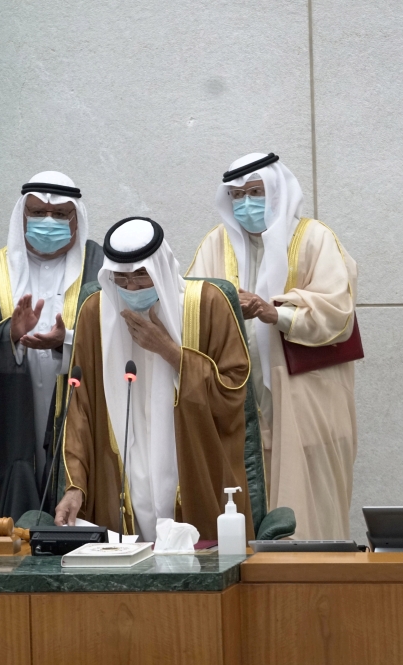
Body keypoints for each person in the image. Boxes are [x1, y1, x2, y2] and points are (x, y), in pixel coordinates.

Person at [187, 152, 359, 540]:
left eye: (255, 192)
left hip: (307, 400)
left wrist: (273, 312)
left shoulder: (314, 238)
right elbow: (192, 308)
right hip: (240, 402)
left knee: (310, 509)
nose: (246, 203)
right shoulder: (216, 244)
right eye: (237, 195)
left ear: (277, 191)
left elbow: (338, 312)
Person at [55, 216, 253, 542]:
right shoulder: (95, 313)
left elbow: (233, 390)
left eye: (140, 276)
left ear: (159, 268)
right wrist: (75, 485)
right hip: (121, 476)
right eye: (121, 278)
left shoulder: (207, 304)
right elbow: (81, 409)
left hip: (193, 465)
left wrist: (170, 352)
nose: (131, 288)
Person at [0, 172, 104, 522]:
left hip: (80, 417)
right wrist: (9, 337)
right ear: (22, 214)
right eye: (37, 212)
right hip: (10, 421)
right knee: (14, 528)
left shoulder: (101, 267)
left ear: (76, 218)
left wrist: (66, 342)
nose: (48, 222)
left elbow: (121, 338)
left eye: (60, 214)